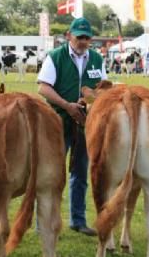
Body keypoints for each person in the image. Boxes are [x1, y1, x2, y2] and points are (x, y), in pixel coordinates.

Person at [37, 17, 107, 237]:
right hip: (57, 123)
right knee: (51, 174)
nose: (83, 41)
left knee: (80, 173)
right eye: (79, 37)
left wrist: (91, 100)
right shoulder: (55, 57)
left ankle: (78, 220)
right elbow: (43, 87)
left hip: (86, 125)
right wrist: (67, 106)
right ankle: (44, 223)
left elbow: (104, 88)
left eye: (87, 37)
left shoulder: (96, 58)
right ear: (69, 35)